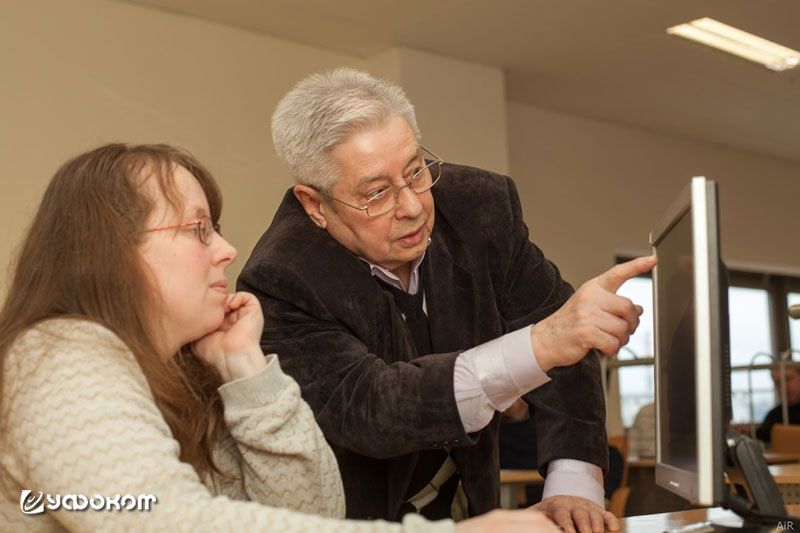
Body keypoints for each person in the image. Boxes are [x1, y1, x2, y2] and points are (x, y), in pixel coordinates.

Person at [0, 143, 559, 533]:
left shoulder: (189, 372)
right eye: (198, 230)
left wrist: (246, 367)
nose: (226, 250)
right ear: (113, 251)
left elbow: (314, 515)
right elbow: (153, 518)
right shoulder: (60, 355)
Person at [238, 68, 656, 533]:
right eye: (376, 193)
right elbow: (372, 408)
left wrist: (572, 487)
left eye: (416, 170)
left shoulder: (482, 207)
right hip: (355, 517)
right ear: (315, 205)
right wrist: (540, 344)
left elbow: (566, 332)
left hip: (468, 505)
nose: (414, 205)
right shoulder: (282, 277)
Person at [755, 365, 800, 445]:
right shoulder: (774, 415)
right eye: (778, 382)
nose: (784, 386)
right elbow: (759, 439)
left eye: (788, 379)